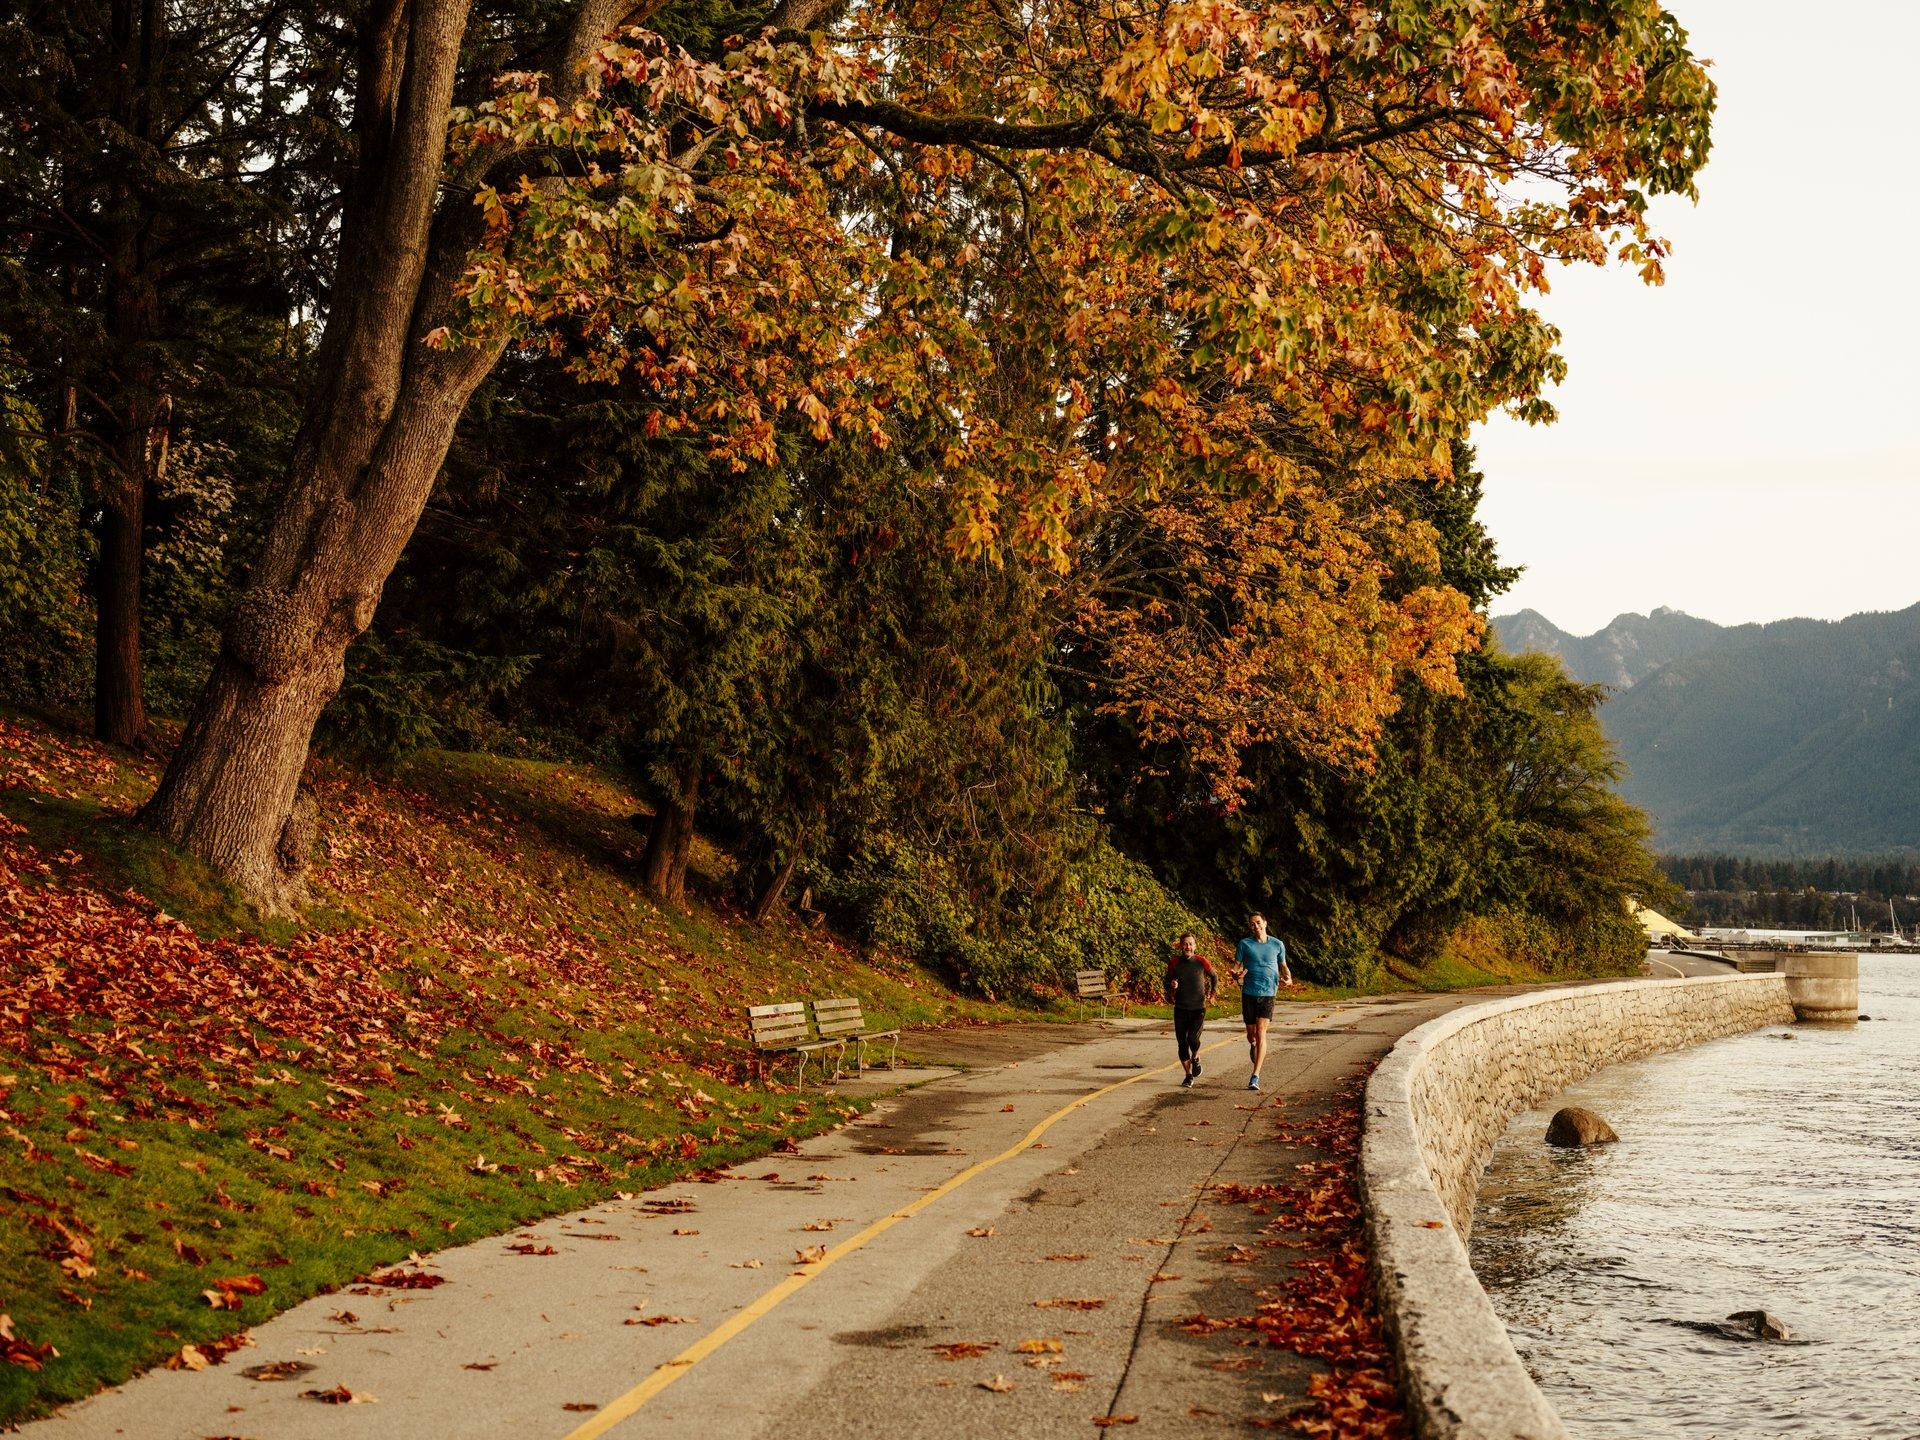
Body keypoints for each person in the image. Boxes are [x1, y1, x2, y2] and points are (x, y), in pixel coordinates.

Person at [1232, 912, 1294, 1091]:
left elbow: (1283, 967)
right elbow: (1236, 967)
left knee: (1261, 1032)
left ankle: (1255, 1076)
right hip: (1249, 993)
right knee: (1251, 1035)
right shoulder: (1244, 944)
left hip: (1268, 993)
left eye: (1258, 922)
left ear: (1265, 923)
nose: (1255, 926)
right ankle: (1252, 1044)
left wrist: (1288, 979)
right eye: (1252, 924)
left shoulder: (1277, 944)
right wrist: (1235, 974)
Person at [1163, 932, 1217, 1088]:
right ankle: (1188, 1075)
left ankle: (1196, 1057)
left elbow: (1214, 976)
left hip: (1198, 1008)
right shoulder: (1174, 962)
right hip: (1180, 1008)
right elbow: (1167, 980)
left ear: (1195, 946)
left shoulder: (1201, 961)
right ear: (1181, 946)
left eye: (1190, 944)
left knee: (1192, 1039)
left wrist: (1212, 994)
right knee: (1181, 1044)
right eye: (1185, 944)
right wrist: (1172, 984)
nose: (1188, 947)